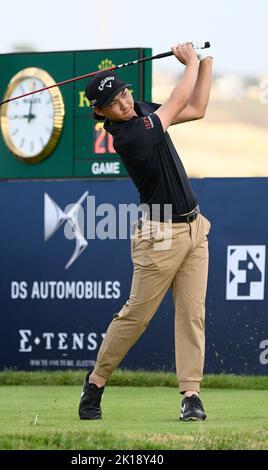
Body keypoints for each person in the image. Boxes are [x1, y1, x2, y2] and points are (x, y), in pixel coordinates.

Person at [79, 42, 213, 421]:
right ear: (100, 112)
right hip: (159, 234)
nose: (122, 102)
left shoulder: (142, 109)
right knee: (136, 316)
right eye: (113, 102)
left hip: (194, 228)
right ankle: (96, 380)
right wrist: (187, 63)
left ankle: (191, 395)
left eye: (123, 92)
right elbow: (177, 99)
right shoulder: (128, 136)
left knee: (192, 314)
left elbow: (198, 107)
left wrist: (205, 60)